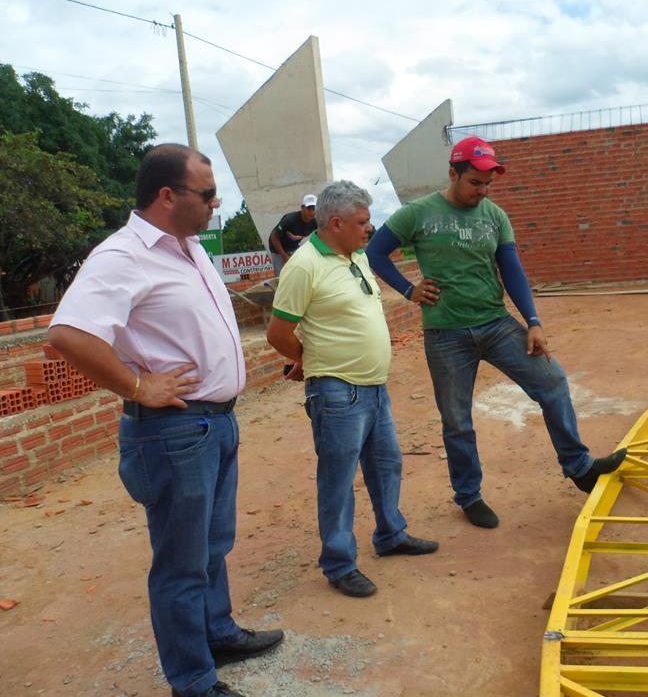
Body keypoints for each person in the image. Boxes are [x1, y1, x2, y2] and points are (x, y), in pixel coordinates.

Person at [49, 144, 282, 697]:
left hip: (214, 424)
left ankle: (217, 633)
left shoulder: (189, 247)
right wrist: (136, 386)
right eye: (206, 193)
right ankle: (194, 682)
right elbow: (67, 334)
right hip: (175, 431)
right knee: (180, 564)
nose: (215, 202)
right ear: (166, 196)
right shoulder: (123, 255)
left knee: (212, 545)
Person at [366, 137, 627, 530]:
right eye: (474, 183)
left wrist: (534, 322)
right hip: (445, 334)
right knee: (457, 420)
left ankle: (579, 467)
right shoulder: (418, 214)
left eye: (488, 184)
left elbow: (513, 271)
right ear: (453, 174)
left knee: (552, 381)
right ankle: (469, 496)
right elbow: (374, 251)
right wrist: (409, 290)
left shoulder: (495, 216)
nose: (482, 192)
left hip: (496, 323)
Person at [266, 180, 438, 598]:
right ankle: (340, 563)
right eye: (362, 222)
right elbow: (277, 332)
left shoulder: (355, 255)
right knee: (338, 480)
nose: (369, 228)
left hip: (374, 388)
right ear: (336, 222)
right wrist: (310, 362)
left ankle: (390, 533)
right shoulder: (304, 265)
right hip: (337, 392)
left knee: (386, 464)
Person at [268, 193, 319, 275]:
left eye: (314, 208)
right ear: (302, 208)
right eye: (309, 208)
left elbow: (320, 235)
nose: (312, 211)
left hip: (293, 246)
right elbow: (274, 236)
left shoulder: (315, 222)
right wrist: (284, 256)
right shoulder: (290, 220)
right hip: (277, 247)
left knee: (300, 270)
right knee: (281, 275)